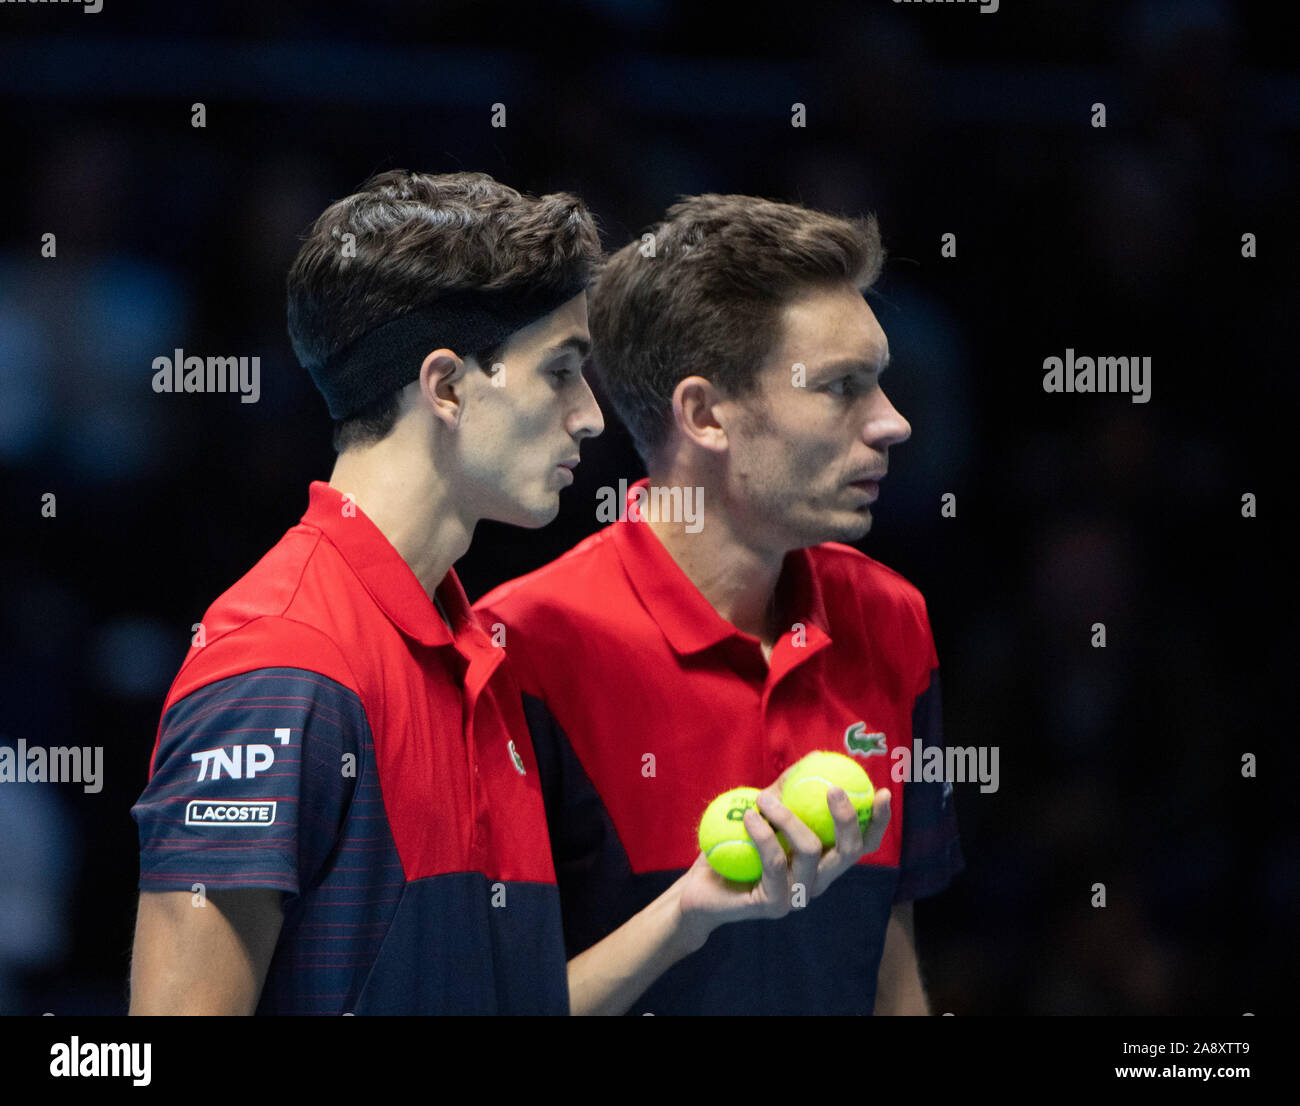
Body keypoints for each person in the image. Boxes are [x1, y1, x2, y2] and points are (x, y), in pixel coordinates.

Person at [127, 172, 881, 1016]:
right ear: (447, 387)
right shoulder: (280, 664)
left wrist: (687, 911)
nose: (591, 416)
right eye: (560, 371)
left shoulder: (478, 655)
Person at [476, 193, 963, 1015]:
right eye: (844, 388)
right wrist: (685, 917)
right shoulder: (521, 645)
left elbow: (888, 949)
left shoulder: (892, 618)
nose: (892, 423)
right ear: (704, 414)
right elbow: (492, 1004)